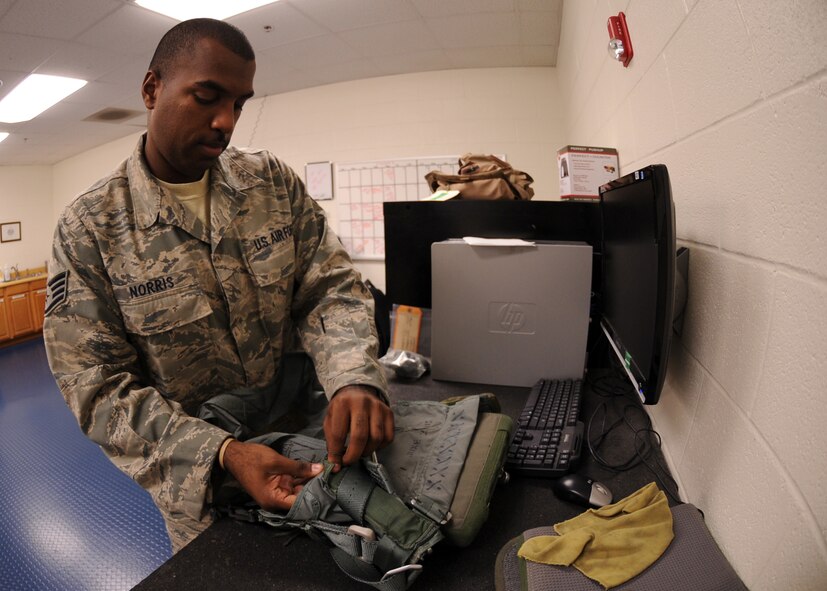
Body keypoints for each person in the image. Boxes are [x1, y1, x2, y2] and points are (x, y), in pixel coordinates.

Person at [43, 18, 393, 552]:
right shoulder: (90, 228)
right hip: (205, 487)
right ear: (152, 89)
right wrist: (224, 453)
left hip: (314, 449)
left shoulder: (270, 182)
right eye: (207, 97)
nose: (225, 122)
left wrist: (353, 378)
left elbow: (330, 287)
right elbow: (97, 386)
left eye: (239, 104)